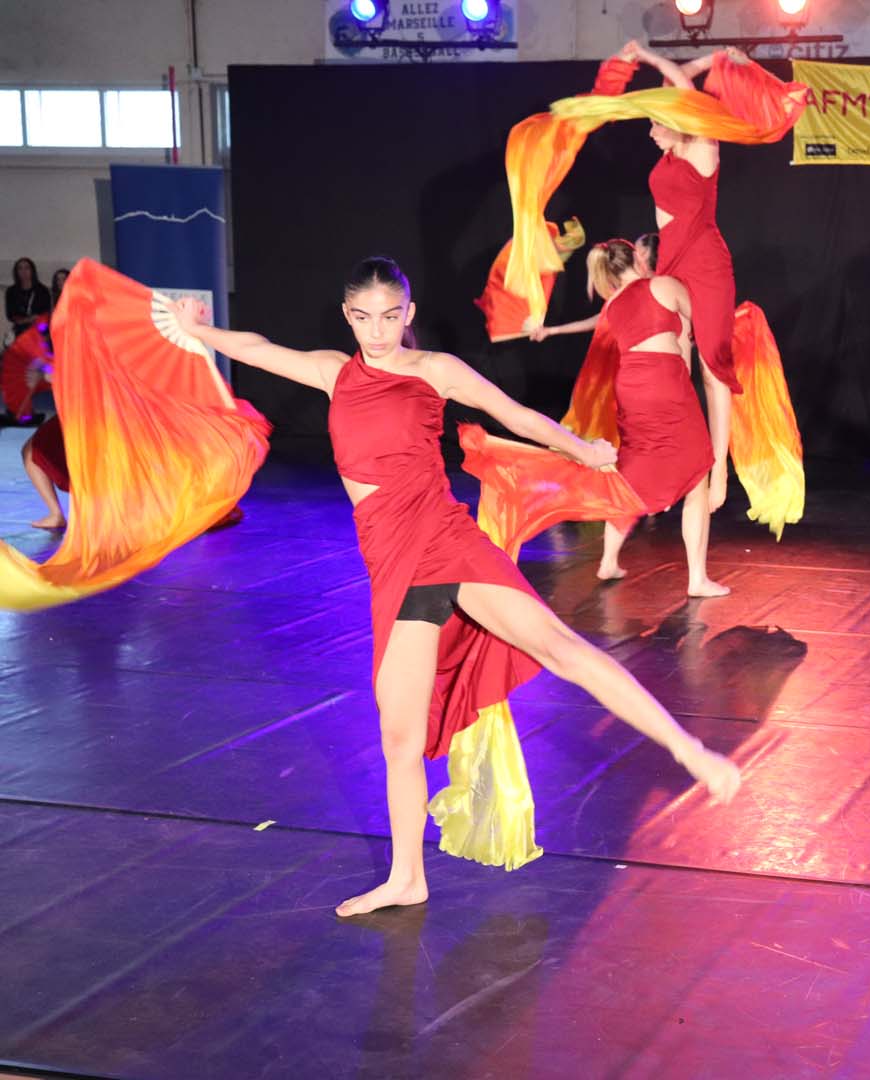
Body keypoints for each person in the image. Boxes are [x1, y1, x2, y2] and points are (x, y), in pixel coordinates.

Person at [166, 256, 740, 916]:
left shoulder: (433, 370)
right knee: (400, 738)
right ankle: (407, 878)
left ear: (407, 314)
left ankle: (689, 751)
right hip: (393, 565)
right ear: (347, 316)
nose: (377, 331)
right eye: (363, 318)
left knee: (560, 648)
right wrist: (199, 331)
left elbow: (513, 414)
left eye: (389, 317)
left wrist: (582, 450)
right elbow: (258, 348)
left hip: (445, 540)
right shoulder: (334, 372)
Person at [624, 39, 745, 515]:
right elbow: (677, 85)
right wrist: (711, 60)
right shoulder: (673, 154)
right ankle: (678, 459)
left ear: (679, 120)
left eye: (657, 123)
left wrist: (650, 56)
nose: (651, 131)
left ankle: (720, 472)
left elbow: (681, 89)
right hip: (671, 261)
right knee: (676, 363)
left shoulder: (703, 149)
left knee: (713, 369)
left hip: (706, 265)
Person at [584, 238, 728, 595]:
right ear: (638, 258)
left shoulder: (613, 304)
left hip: (630, 386)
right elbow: (705, 322)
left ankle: (608, 560)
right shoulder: (663, 286)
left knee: (633, 470)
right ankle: (697, 578)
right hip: (663, 381)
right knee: (697, 472)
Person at [526, 233, 660, 343]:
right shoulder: (627, 297)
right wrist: (551, 331)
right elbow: (600, 320)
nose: (634, 252)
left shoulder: (646, 290)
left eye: (636, 250)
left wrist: (551, 331)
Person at [5, 258, 52, 338]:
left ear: (32, 270)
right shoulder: (11, 291)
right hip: (20, 330)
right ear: (16, 272)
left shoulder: (42, 291)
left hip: (39, 329)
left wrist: (32, 319)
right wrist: (28, 319)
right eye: (20, 268)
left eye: (27, 268)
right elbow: (11, 314)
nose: (23, 271)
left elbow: (45, 313)